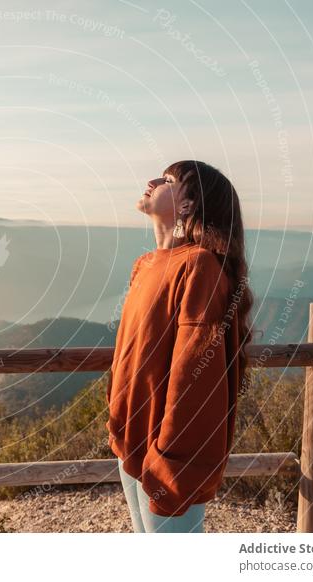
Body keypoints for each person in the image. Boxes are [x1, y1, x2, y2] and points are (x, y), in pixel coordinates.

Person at [106, 160, 254, 533]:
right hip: (131, 443)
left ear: (189, 205)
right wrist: (118, 426)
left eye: (169, 180)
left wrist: (171, 462)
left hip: (168, 460)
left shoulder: (199, 267)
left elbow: (196, 380)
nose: (153, 181)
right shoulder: (146, 265)